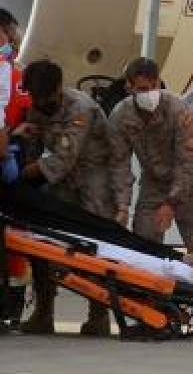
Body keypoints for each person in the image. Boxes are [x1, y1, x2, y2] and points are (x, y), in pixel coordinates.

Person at [109, 57, 193, 339]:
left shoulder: (179, 110)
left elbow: (189, 161)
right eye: (141, 88)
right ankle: (150, 311)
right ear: (128, 87)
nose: (149, 93)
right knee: (144, 248)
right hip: (154, 184)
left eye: (153, 86)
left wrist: (171, 203)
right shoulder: (121, 115)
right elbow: (119, 164)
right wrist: (122, 205)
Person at [15, 59, 119, 336]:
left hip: (93, 178)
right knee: (41, 240)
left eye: (45, 97)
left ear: (58, 88)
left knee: (95, 246)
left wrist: (22, 175)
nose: (40, 103)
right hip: (62, 181)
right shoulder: (38, 104)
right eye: (35, 97)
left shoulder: (79, 109)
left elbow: (63, 158)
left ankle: (99, 315)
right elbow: (36, 144)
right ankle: (43, 312)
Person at [0, 8, 31, 325]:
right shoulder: (13, 76)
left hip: (12, 159)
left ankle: (13, 301)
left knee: (16, 241)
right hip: (10, 157)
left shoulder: (18, 76)